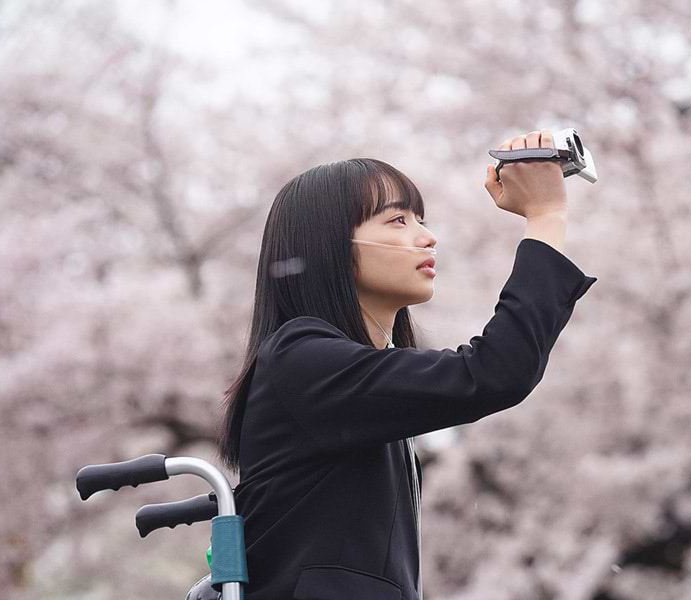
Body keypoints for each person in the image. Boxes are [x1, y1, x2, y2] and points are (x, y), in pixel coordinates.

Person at [213, 129, 597, 600]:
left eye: (421, 219)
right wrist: (546, 216)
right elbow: (495, 371)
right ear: (331, 246)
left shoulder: (340, 374)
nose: (427, 237)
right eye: (397, 220)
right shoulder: (302, 358)